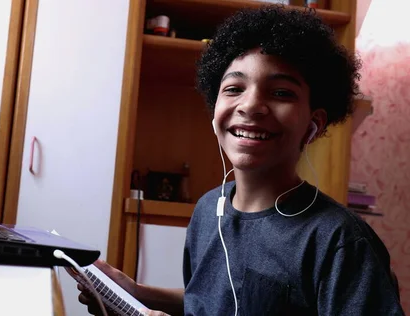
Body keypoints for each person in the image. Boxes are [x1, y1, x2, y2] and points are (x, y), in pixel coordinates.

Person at [78, 4, 404, 316]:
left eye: (281, 93)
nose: (250, 106)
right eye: (234, 88)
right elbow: (209, 301)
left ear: (313, 124)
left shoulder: (340, 242)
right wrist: (136, 293)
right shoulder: (208, 211)